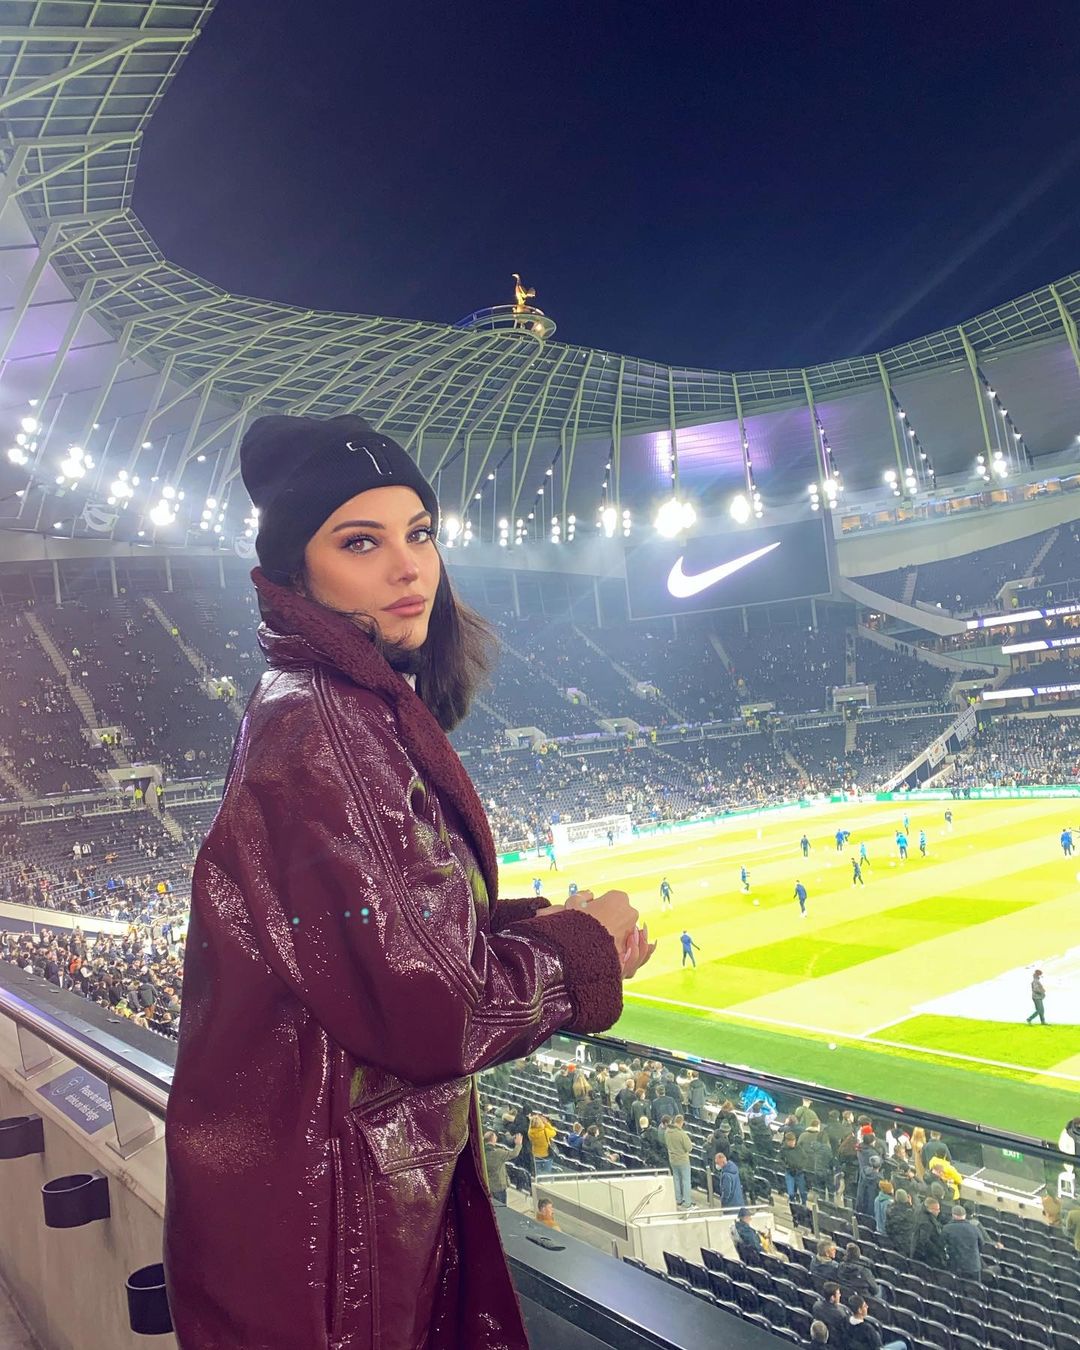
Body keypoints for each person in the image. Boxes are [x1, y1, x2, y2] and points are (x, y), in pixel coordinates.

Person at [163, 413, 655, 1350]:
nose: (409, 567)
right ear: (297, 571)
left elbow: (361, 931)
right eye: (361, 542)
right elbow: (440, 1009)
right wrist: (583, 952)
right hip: (332, 1240)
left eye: (419, 533)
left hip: (301, 1213)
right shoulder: (327, 730)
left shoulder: (303, 703)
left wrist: (531, 924)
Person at [665, 1113, 695, 1209]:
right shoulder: (682, 1134)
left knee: (676, 1179)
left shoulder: (667, 1132)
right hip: (683, 1160)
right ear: (681, 1122)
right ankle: (687, 1203)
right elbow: (689, 1148)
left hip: (672, 1160)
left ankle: (678, 1199)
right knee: (686, 1181)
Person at [483, 1130, 522, 1204]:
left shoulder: (481, 1152)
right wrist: (518, 1144)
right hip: (499, 1186)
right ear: (493, 1139)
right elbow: (514, 1154)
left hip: (488, 1185)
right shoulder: (498, 1153)